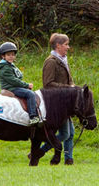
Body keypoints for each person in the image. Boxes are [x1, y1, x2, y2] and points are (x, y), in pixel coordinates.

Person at [37, 33, 75, 165]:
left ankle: (69, 159)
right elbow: (47, 84)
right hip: (56, 105)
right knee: (65, 134)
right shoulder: (51, 62)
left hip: (65, 102)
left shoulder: (63, 60)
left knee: (71, 133)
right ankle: (39, 152)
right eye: (66, 44)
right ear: (58, 46)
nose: (68, 47)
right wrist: (68, 88)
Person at [0, 42, 41, 125]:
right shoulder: (5, 68)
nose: (11, 57)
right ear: (3, 56)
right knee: (30, 94)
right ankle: (33, 117)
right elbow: (14, 81)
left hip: (14, 86)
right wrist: (26, 85)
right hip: (11, 88)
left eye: (13, 55)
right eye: (9, 55)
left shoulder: (9, 65)